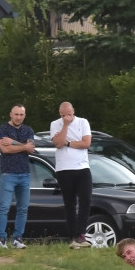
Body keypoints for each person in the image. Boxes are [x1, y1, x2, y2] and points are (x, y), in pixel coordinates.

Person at [50, 101, 92, 249]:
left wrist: (69, 143)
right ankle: (73, 237)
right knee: (70, 203)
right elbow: (59, 143)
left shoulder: (83, 122)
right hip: (64, 169)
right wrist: (65, 126)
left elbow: (86, 143)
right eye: (63, 115)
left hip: (82, 167)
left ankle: (81, 234)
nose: (66, 117)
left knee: (86, 199)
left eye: (68, 114)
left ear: (73, 111)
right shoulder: (56, 124)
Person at [0, 104, 36, 249]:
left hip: (24, 174)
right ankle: (1, 239)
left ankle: (18, 238)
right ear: (10, 114)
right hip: (8, 174)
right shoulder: (2, 129)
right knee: (4, 207)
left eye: (21, 115)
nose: (18, 117)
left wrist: (13, 142)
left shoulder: (28, 130)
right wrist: (24, 146)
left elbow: (31, 149)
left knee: (23, 208)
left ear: (24, 115)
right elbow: (5, 149)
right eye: (16, 114)